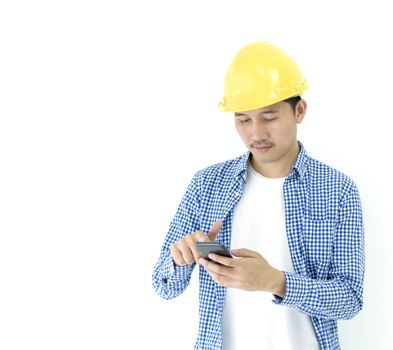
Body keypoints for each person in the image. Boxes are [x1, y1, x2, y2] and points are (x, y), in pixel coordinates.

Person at [152, 41, 365, 350]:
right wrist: (180, 259)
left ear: (299, 110)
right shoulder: (207, 185)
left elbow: (350, 300)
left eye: (269, 117)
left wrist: (275, 282)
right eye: (243, 119)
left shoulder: (337, 190)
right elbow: (163, 285)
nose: (256, 133)